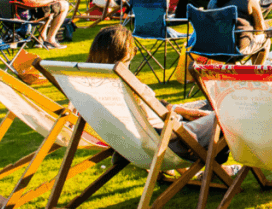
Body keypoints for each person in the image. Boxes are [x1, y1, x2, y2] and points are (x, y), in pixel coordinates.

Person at [87, 25, 229, 165]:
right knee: (228, 111)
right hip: (171, 141)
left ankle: (215, 172)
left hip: (146, 137)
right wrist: (177, 122)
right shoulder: (124, 84)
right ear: (122, 52)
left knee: (213, 102)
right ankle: (215, 172)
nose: (134, 53)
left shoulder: (91, 84)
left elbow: (152, 107)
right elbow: (153, 130)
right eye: (133, 49)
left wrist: (179, 110)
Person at [207, 0, 269, 64]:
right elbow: (260, 28)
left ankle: (232, 68)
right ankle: (256, 75)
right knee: (265, 40)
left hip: (212, 47)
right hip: (237, 49)